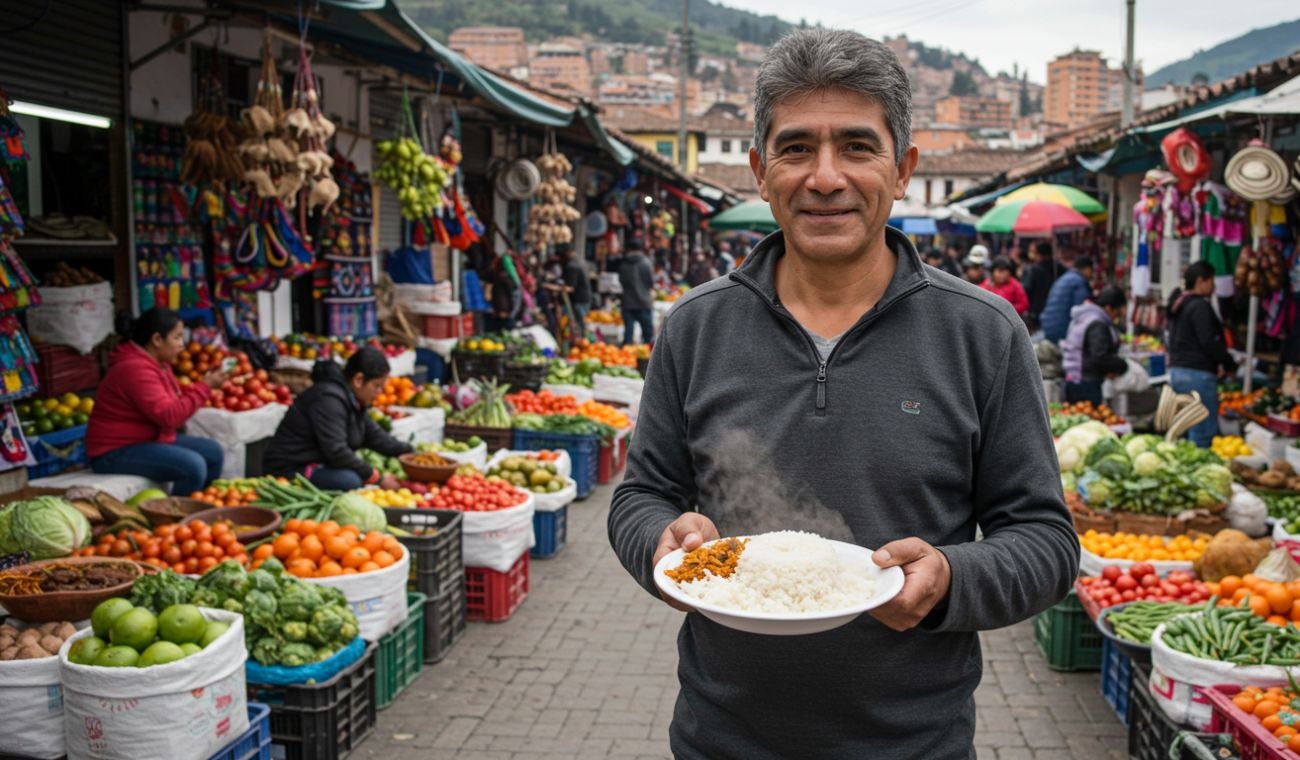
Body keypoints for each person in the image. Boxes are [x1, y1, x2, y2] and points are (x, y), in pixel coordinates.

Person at [608, 28, 1076, 759]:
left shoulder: (982, 334)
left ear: (904, 168)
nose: (825, 177)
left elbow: (1045, 541)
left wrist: (951, 577)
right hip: (720, 739)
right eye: (796, 149)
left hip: (914, 744)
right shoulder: (696, 327)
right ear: (761, 172)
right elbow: (642, 497)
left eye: (857, 147)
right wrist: (659, 546)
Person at [87, 309, 227, 495]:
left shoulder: (158, 364)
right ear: (157, 340)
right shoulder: (134, 369)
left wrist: (200, 386)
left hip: (147, 439)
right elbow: (169, 417)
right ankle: (175, 518)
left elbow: (169, 399)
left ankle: (204, 506)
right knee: (193, 466)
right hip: (113, 452)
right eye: (177, 338)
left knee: (213, 452)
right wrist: (205, 387)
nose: (182, 345)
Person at [263, 347, 413, 490]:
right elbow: (336, 451)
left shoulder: (353, 401)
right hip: (291, 468)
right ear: (359, 380)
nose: (379, 392)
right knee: (349, 480)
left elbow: (375, 436)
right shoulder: (328, 399)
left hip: (320, 464)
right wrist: (377, 478)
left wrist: (411, 454)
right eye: (377, 386)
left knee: (352, 476)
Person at [1168, 261, 1237, 447]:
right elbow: (1209, 341)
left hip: (1178, 373)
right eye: (1211, 280)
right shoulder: (1200, 306)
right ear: (1201, 281)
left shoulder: (1179, 304)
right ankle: (1198, 470)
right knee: (1202, 433)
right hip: (1197, 375)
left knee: (1183, 429)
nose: (1214, 286)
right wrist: (1229, 363)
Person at [1061, 285, 1128, 404]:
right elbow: (1100, 357)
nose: (1116, 318)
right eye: (1117, 312)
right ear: (1108, 308)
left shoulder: (1083, 317)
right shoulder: (1097, 324)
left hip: (1073, 378)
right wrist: (1122, 365)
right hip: (1086, 383)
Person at [1040, 255, 1094, 342]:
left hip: (1048, 327)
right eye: (1092, 271)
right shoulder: (1079, 282)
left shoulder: (1063, 278)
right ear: (1087, 269)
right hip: (1062, 330)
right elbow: (1081, 311)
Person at [619, 233, 656, 345]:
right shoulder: (646, 263)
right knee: (647, 335)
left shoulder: (623, 264)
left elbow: (621, 281)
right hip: (643, 302)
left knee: (628, 334)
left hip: (627, 302)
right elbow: (651, 282)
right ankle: (647, 359)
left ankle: (628, 354)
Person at [556, 244, 592, 341]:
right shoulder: (582, 262)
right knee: (581, 323)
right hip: (585, 297)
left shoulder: (572, 266)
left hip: (578, 299)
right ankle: (582, 342)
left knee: (578, 324)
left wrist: (555, 288)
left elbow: (570, 288)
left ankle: (581, 343)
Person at [1021, 241, 1061, 320]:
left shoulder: (1032, 269)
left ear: (1038, 254)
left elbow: (1026, 289)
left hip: (1035, 308)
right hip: (1053, 305)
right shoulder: (1058, 266)